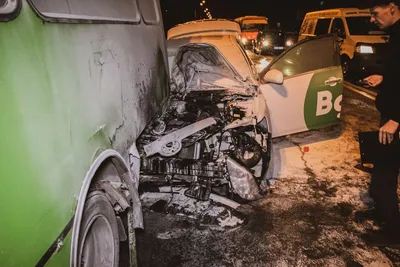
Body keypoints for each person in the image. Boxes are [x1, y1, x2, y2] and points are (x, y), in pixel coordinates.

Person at [357, 0, 400, 247]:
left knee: (384, 175)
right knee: (382, 172)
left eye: (375, 14)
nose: (372, 20)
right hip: (391, 117)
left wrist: (396, 119)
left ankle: (394, 234)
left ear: (392, 7)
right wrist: (383, 78)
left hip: (396, 120)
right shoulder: (394, 35)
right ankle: (385, 214)